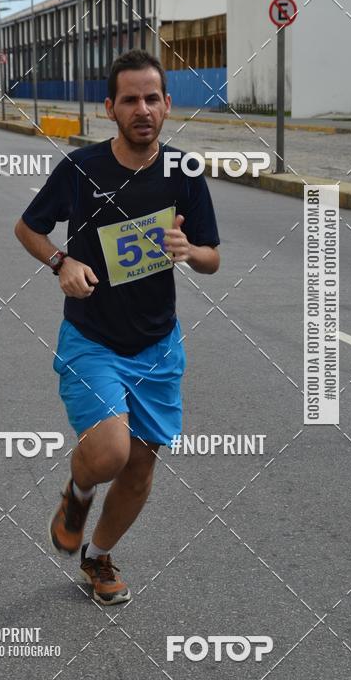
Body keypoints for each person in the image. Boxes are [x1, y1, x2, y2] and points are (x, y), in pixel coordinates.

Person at [15, 50, 221, 606]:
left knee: (140, 469)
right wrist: (62, 264)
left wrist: (190, 249)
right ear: (110, 108)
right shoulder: (81, 169)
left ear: (168, 104)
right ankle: (78, 493)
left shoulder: (184, 173)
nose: (142, 109)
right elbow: (28, 227)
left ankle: (98, 556)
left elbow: (212, 258)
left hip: (158, 345)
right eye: (129, 99)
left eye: (152, 97)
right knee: (110, 453)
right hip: (92, 338)